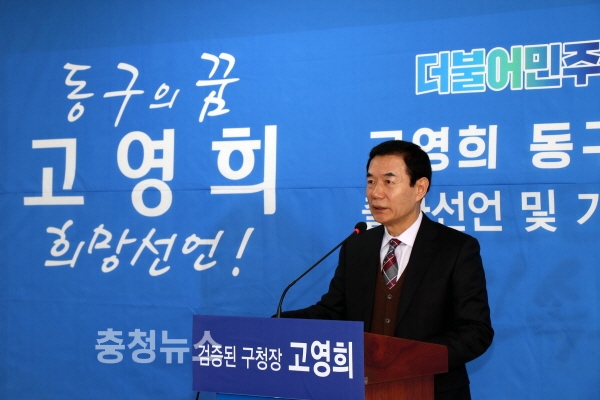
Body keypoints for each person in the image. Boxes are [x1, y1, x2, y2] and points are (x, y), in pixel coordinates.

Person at [280, 140, 493, 399]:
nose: (376, 193)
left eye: (389, 182)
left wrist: (410, 358)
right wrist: (278, 325)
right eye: (371, 181)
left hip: (432, 390)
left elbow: (475, 331)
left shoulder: (456, 248)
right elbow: (333, 311)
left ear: (420, 188)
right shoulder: (357, 246)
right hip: (364, 391)